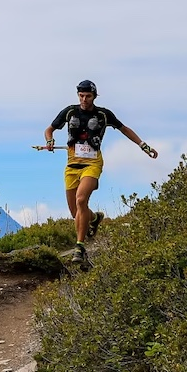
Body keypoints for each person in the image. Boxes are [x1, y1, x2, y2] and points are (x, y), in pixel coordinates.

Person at [42, 79, 157, 262]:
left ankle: (79, 247)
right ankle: (95, 219)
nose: (84, 99)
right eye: (81, 95)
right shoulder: (70, 111)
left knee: (81, 200)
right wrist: (50, 141)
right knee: (76, 212)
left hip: (92, 163)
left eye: (88, 96)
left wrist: (143, 146)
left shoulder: (103, 114)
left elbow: (124, 129)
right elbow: (49, 129)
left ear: (94, 96)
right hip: (72, 164)